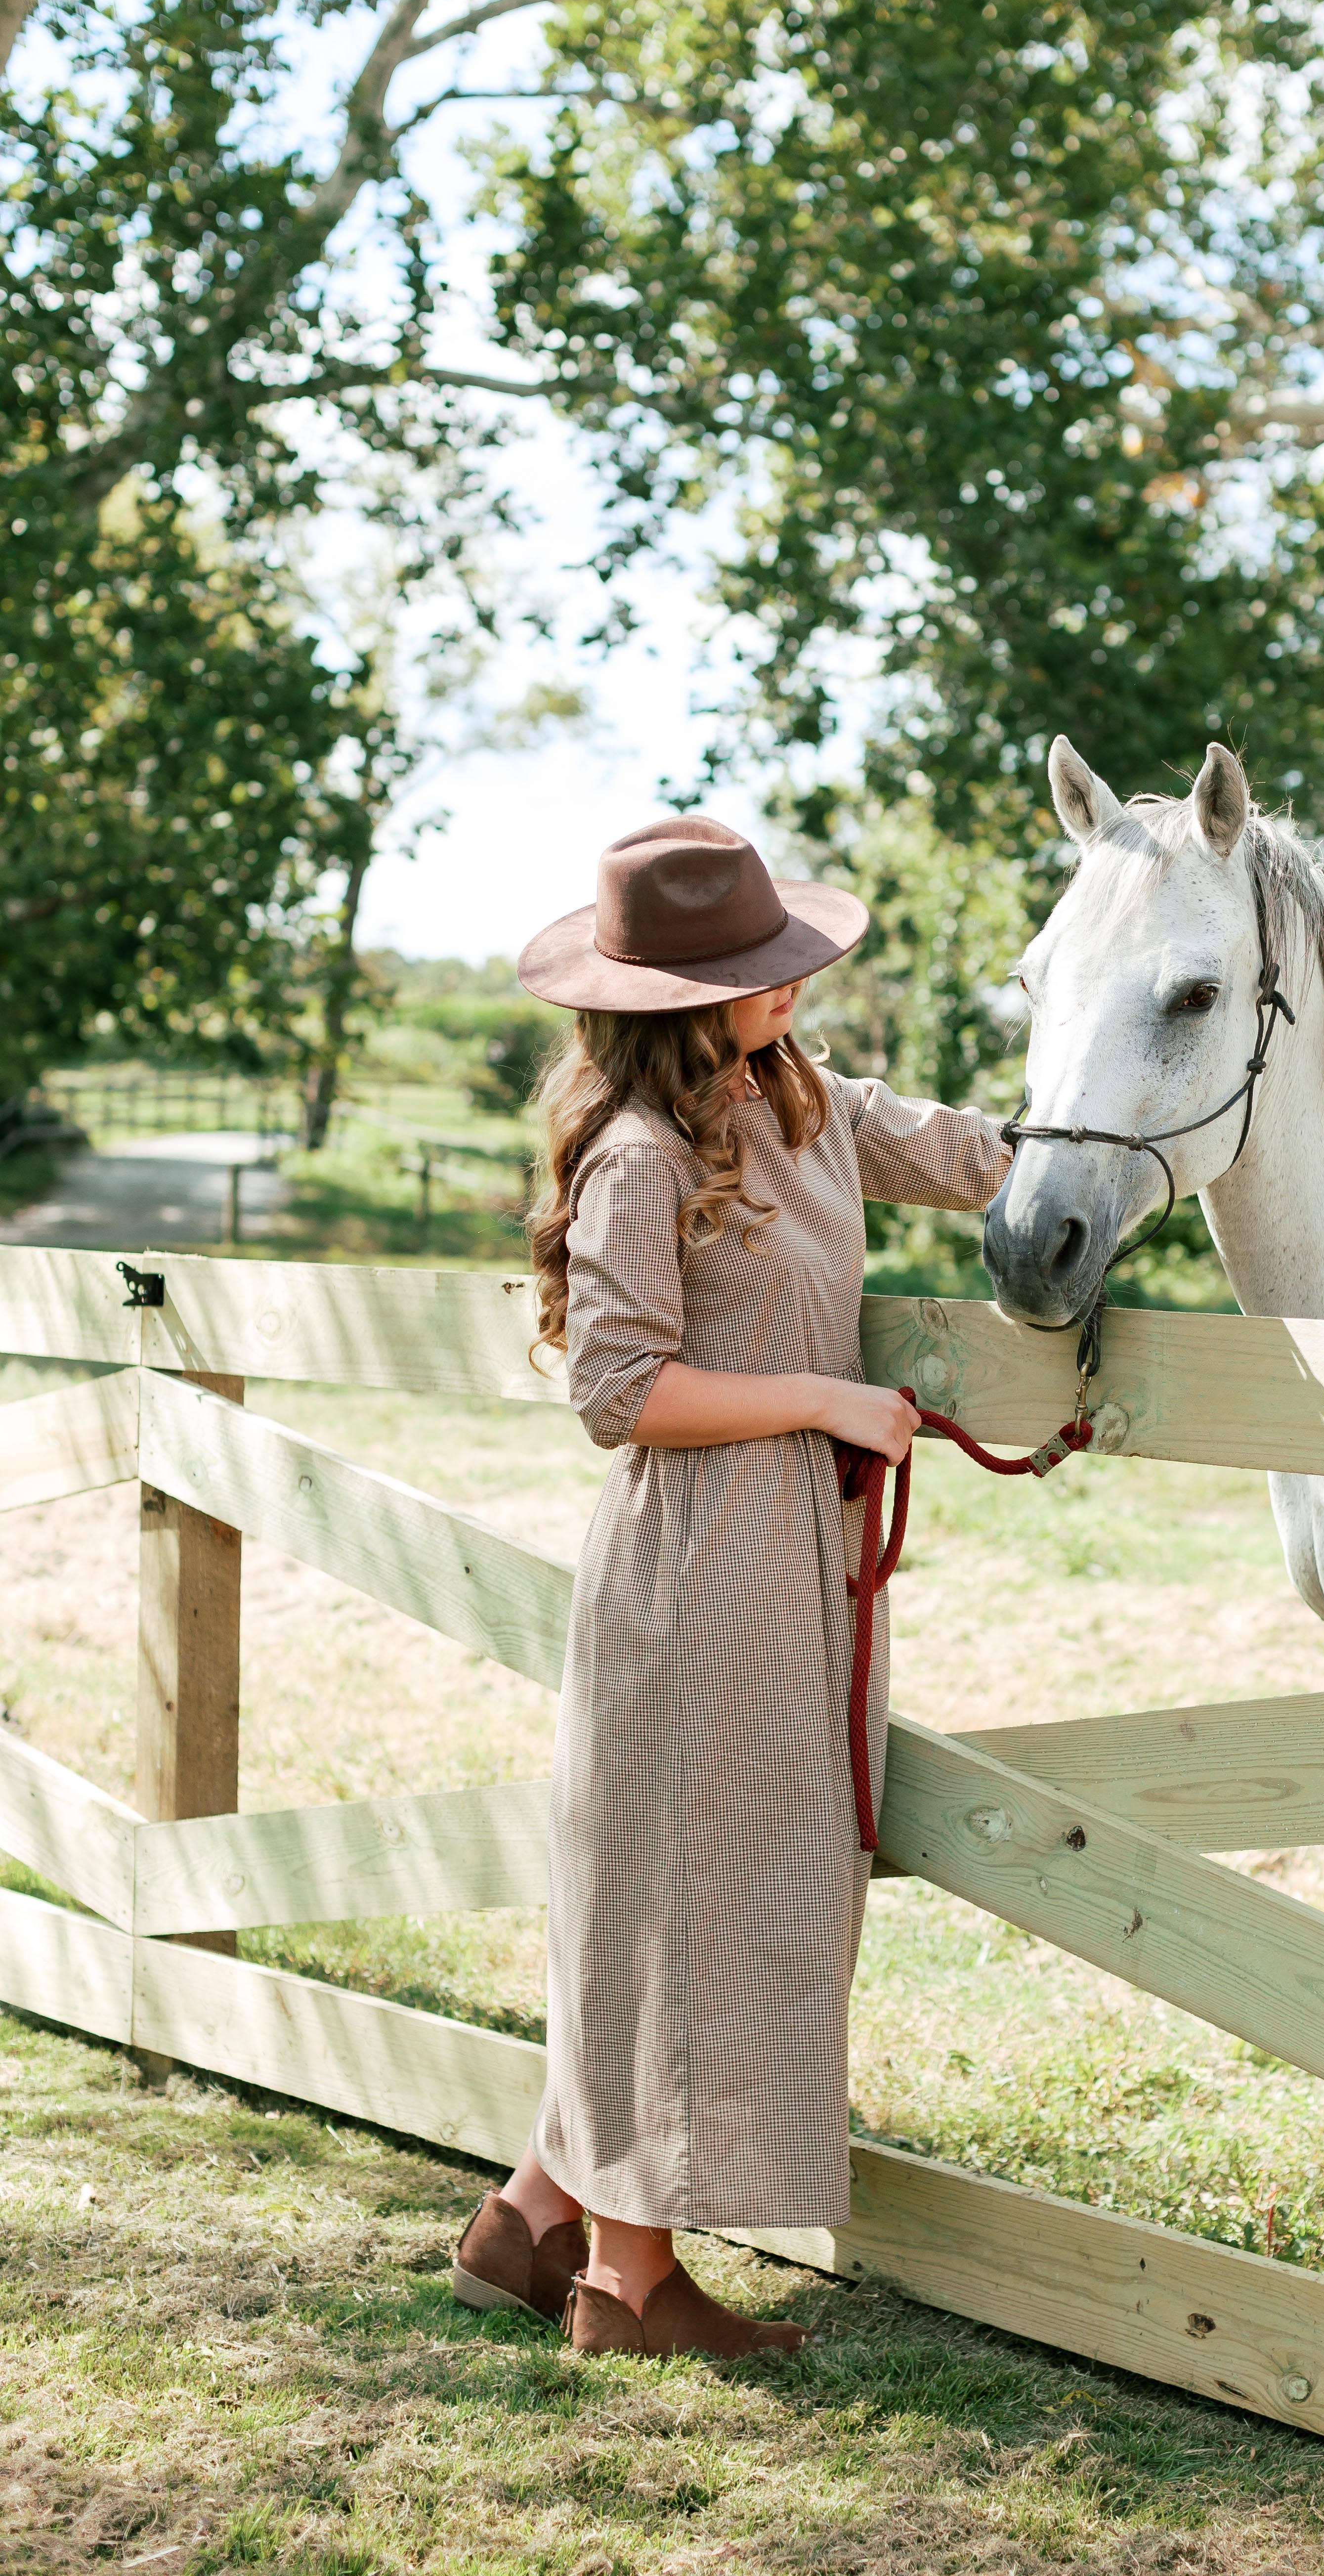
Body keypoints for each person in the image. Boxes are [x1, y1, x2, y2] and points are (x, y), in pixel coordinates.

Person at [449, 814, 1012, 2361]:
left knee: (733, 1875)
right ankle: (629, 2286)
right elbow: (620, 1391)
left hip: (787, 1559)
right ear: (686, 1004)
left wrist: (1105, 1159)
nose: (795, 987)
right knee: (685, 1893)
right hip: (698, 1556)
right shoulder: (637, 1158)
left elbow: (957, 1155)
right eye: (764, 975)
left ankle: (538, 2211)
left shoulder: (798, 1097)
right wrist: (826, 1401)